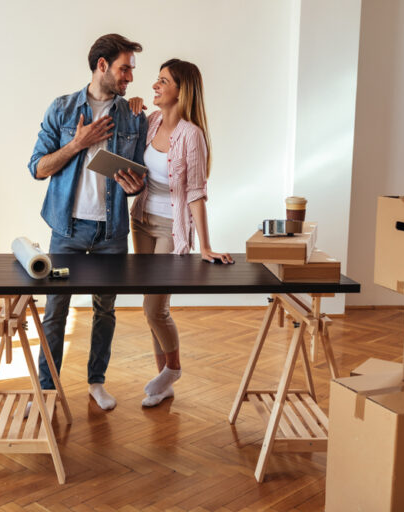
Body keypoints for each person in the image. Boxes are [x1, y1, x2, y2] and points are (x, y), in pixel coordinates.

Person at [28, 34, 148, 410]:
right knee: (55, 312)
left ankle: (96, 382)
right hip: (67, 231)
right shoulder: (63, 110)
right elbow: (37, 168)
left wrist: (135, 185)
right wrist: (77, 144)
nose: (129, 76)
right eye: (124, 68)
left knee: (105, 310)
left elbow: (139, 178)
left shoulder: (133, 115)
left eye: (131, 69)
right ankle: (47, 390)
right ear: (102, 66)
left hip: (111, 233)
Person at [128, 59, 233, 407]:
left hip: (171, 230)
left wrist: (205, 246)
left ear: (181, 90)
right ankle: (164, 385)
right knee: (149, 305)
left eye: (163, 81)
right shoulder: (151, 121)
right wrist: (131, 109)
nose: (155, 86)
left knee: (156, 308)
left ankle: (172, 369)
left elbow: (197, 193)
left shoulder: (192, 135)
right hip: (140, 220)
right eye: (156, 81)